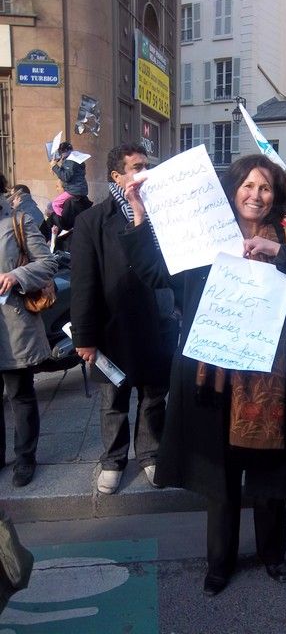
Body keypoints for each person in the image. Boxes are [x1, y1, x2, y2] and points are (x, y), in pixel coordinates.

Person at [120, 154, 286, 595]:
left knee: (270, 472)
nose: (256, 196)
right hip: (214, 375)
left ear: (274, 195)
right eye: (248, 186)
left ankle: (272, 553)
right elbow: (155, 273)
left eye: (265, 188)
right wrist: (140, 215)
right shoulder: (206, 236)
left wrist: (281, 254)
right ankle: (219, 562)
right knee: (219, 474)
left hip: (274, 377)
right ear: (233, 190)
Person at [70, 143, 178, 495]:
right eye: (136, 166)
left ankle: (150, 454)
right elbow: (83, 282)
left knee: (154, 396)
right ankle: (113, 459)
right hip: (114, 327)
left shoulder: (165, 211)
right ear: (117, 176)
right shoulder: (92, 220)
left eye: (147, 165)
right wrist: (84, 338)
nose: (144, 172)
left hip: (159, 323)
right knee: (113, 400)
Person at [0, 195, 57, 486]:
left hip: (13, 326)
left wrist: (16, 275)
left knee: (19, 394)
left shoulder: (17, 222)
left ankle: (25, 457)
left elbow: (48, 263)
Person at [50, 141, 89, 215]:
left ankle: (65, 221)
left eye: (60, 153)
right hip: (80, 190)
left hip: (74, 190)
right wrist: (55, 166)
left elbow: (65, 177)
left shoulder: (70, 161)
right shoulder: (76, 159)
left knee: (55, 204)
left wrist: (54, 166)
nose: (60, 155)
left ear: (64, 151)